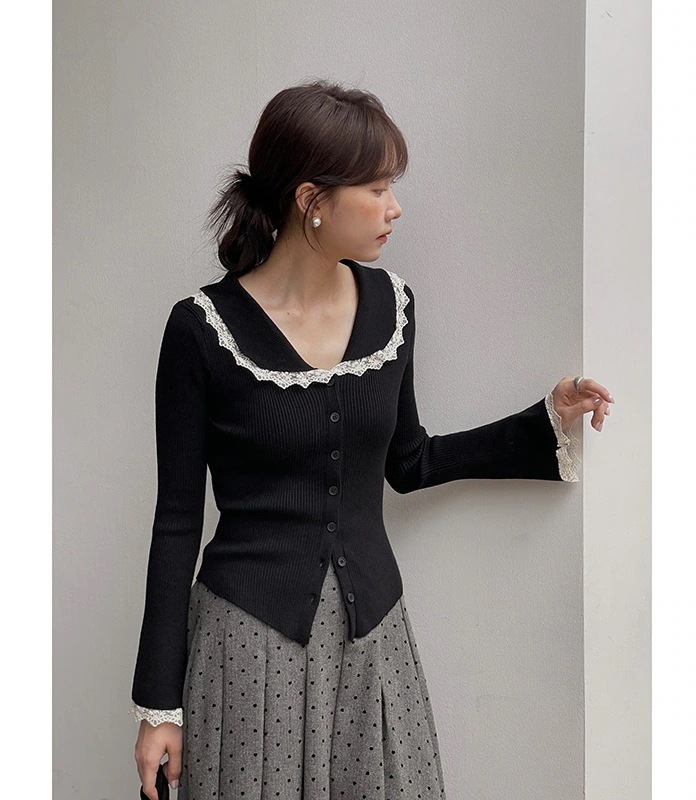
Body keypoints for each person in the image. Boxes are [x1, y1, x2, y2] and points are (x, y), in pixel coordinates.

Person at [129, 79, 614, 800]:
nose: (395, 207)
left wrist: (543, 420)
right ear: (311, 200)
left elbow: (409, 462)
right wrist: (158, 705)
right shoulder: (202, 329)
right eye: (378, 187)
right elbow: (176, 521)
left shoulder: (394, 307)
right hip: (248, 648)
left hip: (372, 640)